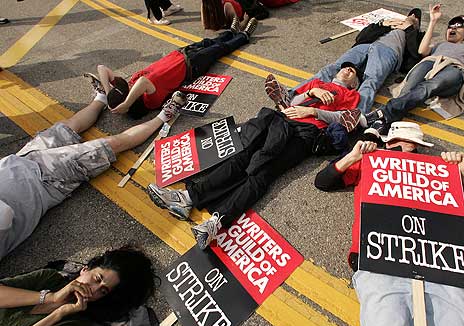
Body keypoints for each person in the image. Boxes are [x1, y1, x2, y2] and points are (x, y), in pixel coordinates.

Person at [147, 63, 362, 249]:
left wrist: (315, 112)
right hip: (281, 120)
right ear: (335, 72)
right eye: (345, 67)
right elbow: (292, 102)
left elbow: (348, 119)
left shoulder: (353, 95)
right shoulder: (317, 83)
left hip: (306, 134)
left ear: (354, 84)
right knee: (244, 156)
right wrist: (310, 94)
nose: (349, 69)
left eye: (353, 72)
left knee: (263, 171)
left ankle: (216, 222)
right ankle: (188, 198)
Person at [314, 122, 464, 326]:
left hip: (438, 261)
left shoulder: (438, 167)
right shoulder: (371, 161)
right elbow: (323, 181)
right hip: (382, 257)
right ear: (388, 141)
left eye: (410, 143)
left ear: (417, 145)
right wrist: (352, 156)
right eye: (400, 142)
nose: (404, 146)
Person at [0, 84, 186, 261]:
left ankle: (101, 97)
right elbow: (5, 214)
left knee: (68, 126)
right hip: (46, 179)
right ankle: (164, 116)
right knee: (113, 144)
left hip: (19, 160)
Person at [364, 5, 464, 134]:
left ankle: (382, 113)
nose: (453, 28)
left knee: (429, 87)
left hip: (453, 67)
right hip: (430, 62)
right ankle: (384, 123)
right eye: (450, 26)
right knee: (408, 87)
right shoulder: (439, 44)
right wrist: (433, 21)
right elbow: (422, 50)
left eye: (459, 25)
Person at [291, 8, 424, 127]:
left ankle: (356, 115)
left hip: (387, 51)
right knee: (333, 68)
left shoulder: (415, 34)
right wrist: (382, 25)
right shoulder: (389, 23)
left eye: (414, 18)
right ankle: (291, 95)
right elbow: (361, 37)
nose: (409, 17)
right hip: (364, 45)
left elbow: (414, 57)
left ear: (417, 24)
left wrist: (410, 29)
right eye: (408, 15)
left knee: (371, 79)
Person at [91, 27, 258, 120]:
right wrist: (126, 104)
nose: (127, 83)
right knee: (219, 49)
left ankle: (232, 31)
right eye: (126, 88)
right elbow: (143, 81)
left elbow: (101, 68)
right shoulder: (150, 100)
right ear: (130, 98)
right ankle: (244, 35)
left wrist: (108, 93)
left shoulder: (130, 87)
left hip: (179, 54)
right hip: (190, 66)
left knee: (208, 42)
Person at [0, 245, 157, 326]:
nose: (93, 290)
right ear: (85, 269)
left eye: (103, 291)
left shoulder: (75, 324)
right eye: (96, 278)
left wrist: (58, 314)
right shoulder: (49, 278)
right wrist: (51, 297)